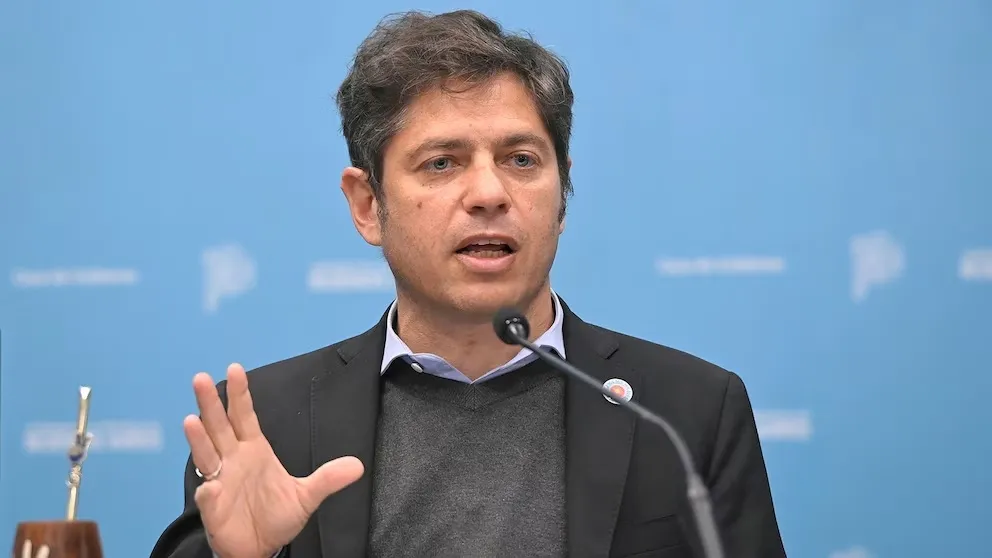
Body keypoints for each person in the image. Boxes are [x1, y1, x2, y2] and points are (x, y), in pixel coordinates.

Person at [150, 9, 787, 558]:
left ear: (562, 193)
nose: (489, 193)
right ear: (368, 205)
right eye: (442, 163)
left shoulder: (686, 412)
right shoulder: (265, 425)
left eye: (521, 160)